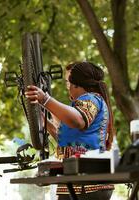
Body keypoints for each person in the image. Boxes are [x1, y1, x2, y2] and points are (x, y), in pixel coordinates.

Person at [25, 61, 116, 200]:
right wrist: (42, 120)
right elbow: (66, 140)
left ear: (76, 84)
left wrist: (45, 99)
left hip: (88, 184)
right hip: (74, 183)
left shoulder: (92, 99)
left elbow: (78, 120)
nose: (68, 88)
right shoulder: (81, 104)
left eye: (68, 82)